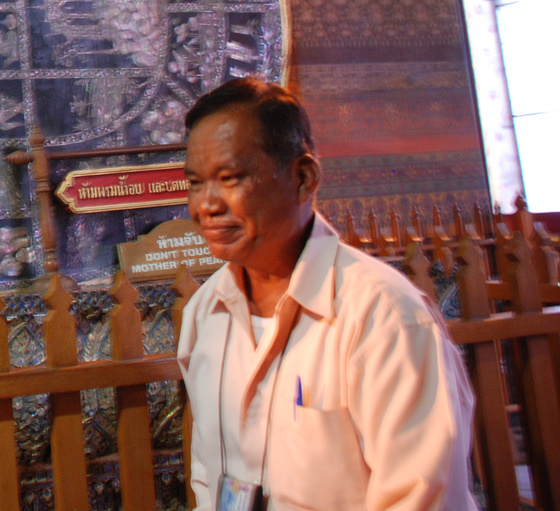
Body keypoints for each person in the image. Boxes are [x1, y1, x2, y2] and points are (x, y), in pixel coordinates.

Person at [176, 76, 475, 511]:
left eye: (230, 177)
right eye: (195, 183)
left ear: (303, 177)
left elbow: (422, 496)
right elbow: (208, 472)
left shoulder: (381, 315)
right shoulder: (206, 314)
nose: (206, 205)